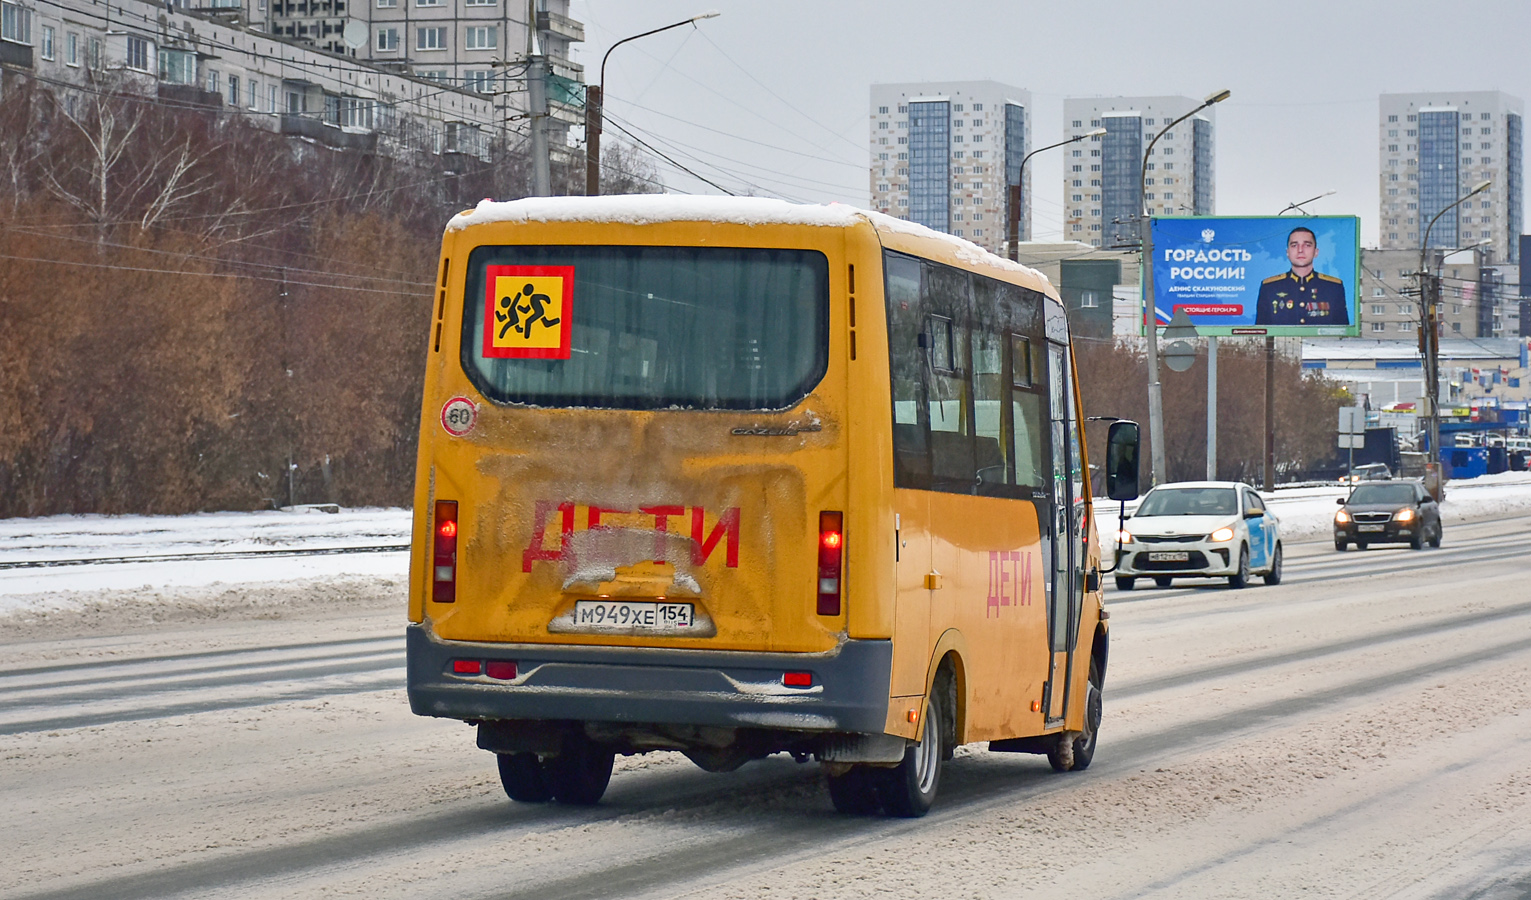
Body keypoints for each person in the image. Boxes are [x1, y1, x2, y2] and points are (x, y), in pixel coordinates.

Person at [1254, 227, 1349, 326]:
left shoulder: (1333, 287)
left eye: (1307, 245)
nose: (1300, 250)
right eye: (1294, 245)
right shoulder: (1270, 288)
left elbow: (1342, 331)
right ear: (1287, 252)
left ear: (1316, 252)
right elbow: (1262, 332)